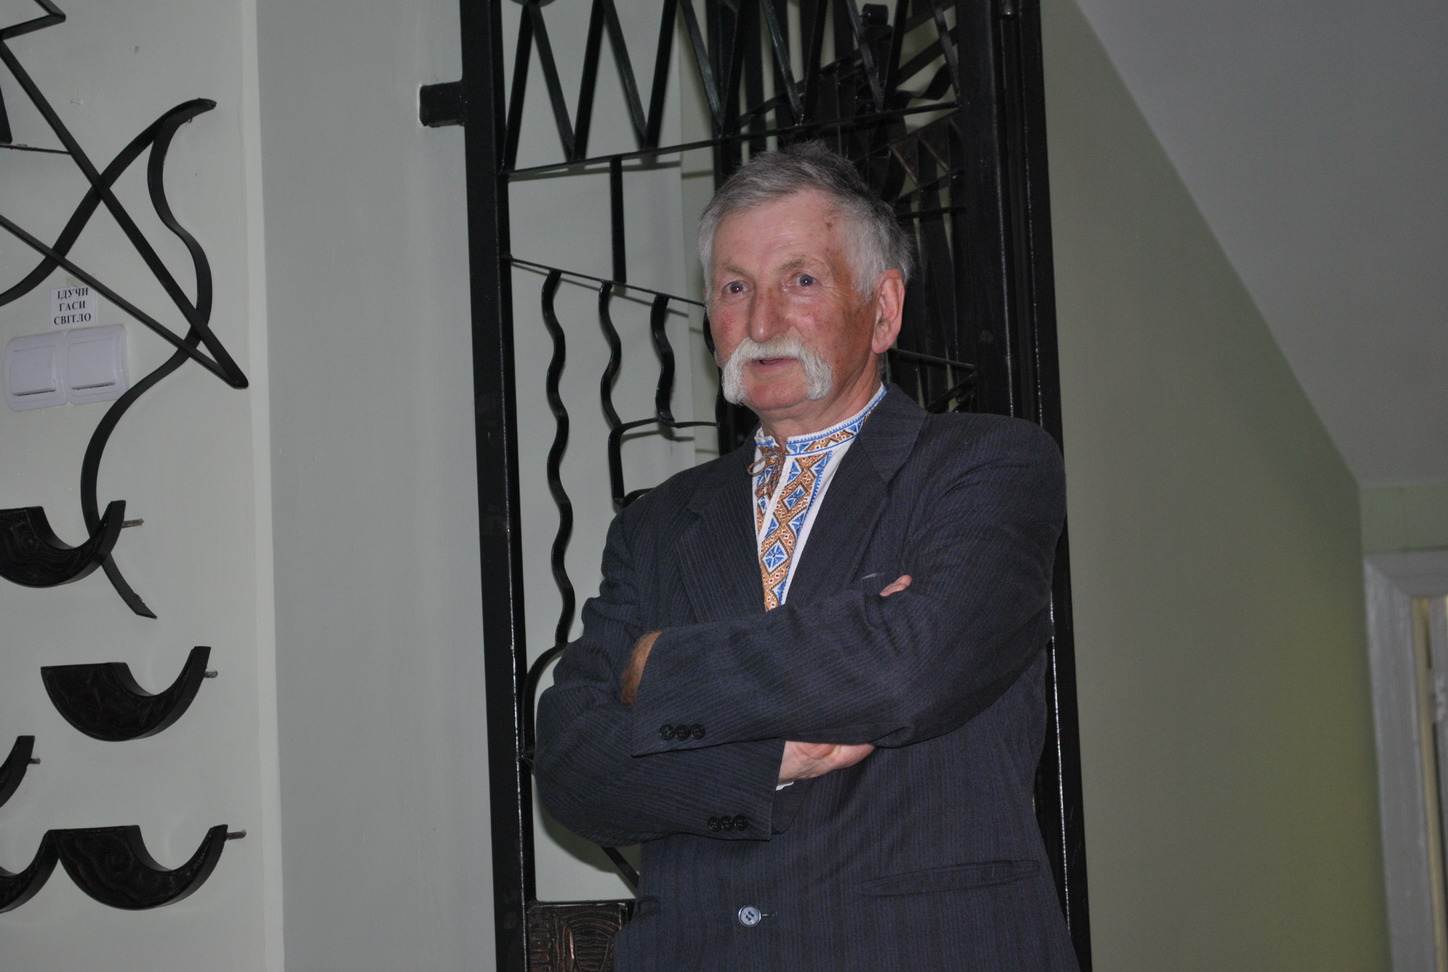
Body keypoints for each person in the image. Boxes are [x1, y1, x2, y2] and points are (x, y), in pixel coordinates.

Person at [534, 141, 1077, 970]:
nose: (761, 323)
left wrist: (659, 668)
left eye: (801, 280)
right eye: (734, 288)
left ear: (883, 309)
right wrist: (758, 765)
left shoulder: (988, 465)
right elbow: (573, 765)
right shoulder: (656, 524)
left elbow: (906, 671)